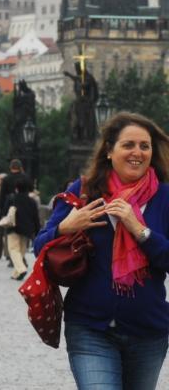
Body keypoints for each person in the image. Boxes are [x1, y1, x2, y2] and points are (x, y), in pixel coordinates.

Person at [34, 112, 169, 389]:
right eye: (128, 145)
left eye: (144, 146)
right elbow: (40, 247)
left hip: (148, 332)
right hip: (90, 327)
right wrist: (65, 227)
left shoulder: (164, 197)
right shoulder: (85, 191)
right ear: (109, 150)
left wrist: (140, 231)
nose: (137, 152)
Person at [0, 160, 30, 261]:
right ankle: (21, 254)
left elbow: (2, 196)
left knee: (10, 233)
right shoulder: (25, 178)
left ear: (10, 167)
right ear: (20, 167)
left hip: (10, 208)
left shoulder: (6, 179)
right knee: (22, 232)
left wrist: (2, 212)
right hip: (23, 207)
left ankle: (11, 254)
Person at [8, 178, 40, 280]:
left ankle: (21, 269)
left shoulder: (11, 199)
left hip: (13, 227)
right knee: (21, 250)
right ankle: (16, 273)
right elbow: (36, 217)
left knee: (14, 249)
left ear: (16, 188)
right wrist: (37, 230)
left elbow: (5, 212)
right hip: (27, 229)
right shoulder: (32, 201)